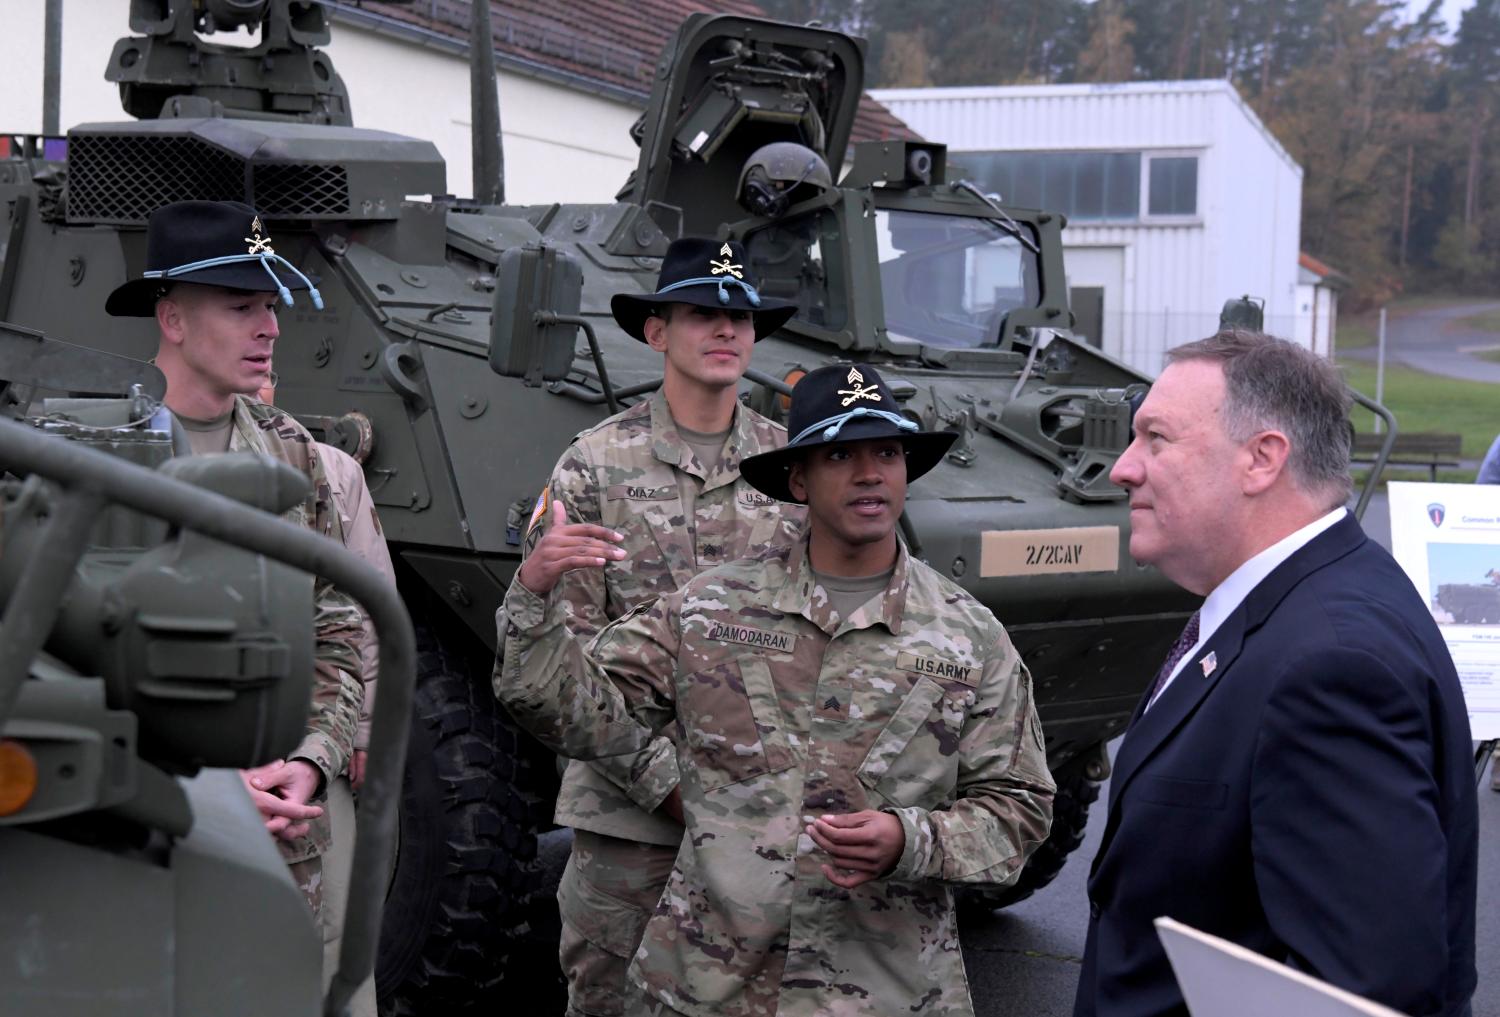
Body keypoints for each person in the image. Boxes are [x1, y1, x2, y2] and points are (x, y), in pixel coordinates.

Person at [497, 363, 1056, 1017]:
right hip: (708, 987)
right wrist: (534, 598)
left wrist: (912, 840)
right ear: (797, 479)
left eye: (887, 451)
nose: (870, 472)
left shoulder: (969, 637)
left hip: (882, 990)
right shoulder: (709, 611)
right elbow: (572, 714)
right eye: (841, 453)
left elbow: (1020, 811)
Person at [1076, 331, 1478, 1017]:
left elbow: (1360, 991)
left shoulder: (1331, 664)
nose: (1121, 467)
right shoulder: (1288, 598)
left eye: (1156, 438)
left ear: (1261, 458)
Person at [497, 236, 806, 1017]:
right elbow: (560, 673)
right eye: (704, 312)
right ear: (657, 331)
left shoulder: (796, 471)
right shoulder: (594, 467)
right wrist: (666, 781)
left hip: (767, 814)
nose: (727, 330)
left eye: (741, 315)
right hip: (635, 823)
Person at [106, 199, 365, 926]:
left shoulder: (292, 453)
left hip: (280, 830)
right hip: (137, 824)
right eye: (242, 304)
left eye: (272, 303)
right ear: (174, 318)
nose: (272, 326)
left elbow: (339, 627)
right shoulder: (90, 447)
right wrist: (204, 782)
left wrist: (312, 758)